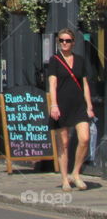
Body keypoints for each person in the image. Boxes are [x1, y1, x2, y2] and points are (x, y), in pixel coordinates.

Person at [48, 27, 95, 191]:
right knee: (65, 143)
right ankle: (64, 178)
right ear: (58, 42)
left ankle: (75, 173)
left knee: (84, 138)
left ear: (73, 42)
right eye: (61, 41)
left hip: (79, 105)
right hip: (61, 105)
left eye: (67, 40)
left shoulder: (80, 60)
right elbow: (52, 84)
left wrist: (89, 105)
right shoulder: (54, 60)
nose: (64, 43)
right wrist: (53, 105)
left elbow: (85, 84)